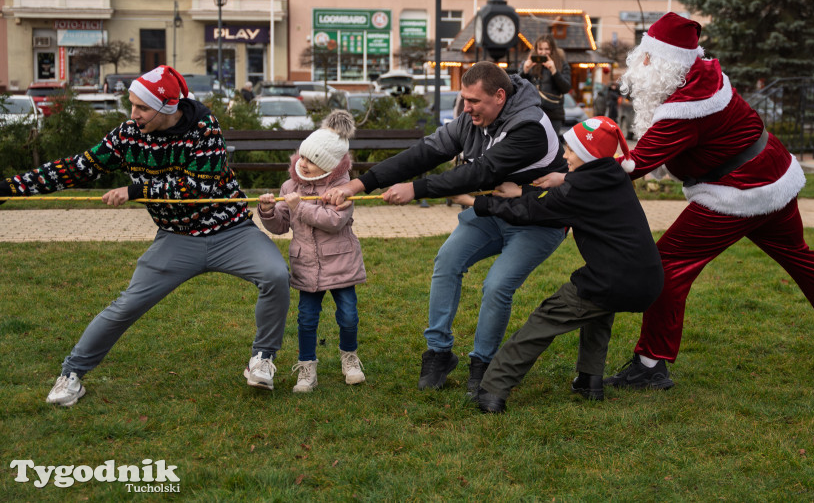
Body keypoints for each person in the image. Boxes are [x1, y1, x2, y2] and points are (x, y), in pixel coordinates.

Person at [603, 13, 814, 390]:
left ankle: (651, 364)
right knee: (797, 253)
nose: (642, 65)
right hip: (775, 172)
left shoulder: (686, 108)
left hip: (737, 191)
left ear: (667, 62)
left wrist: (576, 167)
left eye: (648, 57)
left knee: (669, 263)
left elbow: (635, 165)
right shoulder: (703, 75)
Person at [0, 66, 291, 406]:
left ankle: (262, 358)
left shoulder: (204, 127)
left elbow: (199, 188)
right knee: (126, 306)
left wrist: (137, 188)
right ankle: (72, 374)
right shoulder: (128, 134)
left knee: (275, 275)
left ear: (168, 106)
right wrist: (10, 189)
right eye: (132, 105)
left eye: (141, 107)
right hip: (176, 238)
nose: (133, 114)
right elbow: (80, 166)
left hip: (231, 232)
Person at [322, 61, 567, 394]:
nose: (465, 108)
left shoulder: (531, 127)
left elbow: (480, 172)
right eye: (464, 99)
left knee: (496, 286)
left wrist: (416, 189)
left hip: (538, 221)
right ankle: (438, 353)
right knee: (447, 262)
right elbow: (424, 153)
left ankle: (483, 364)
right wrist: (360, 185)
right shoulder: (471, 120)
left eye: (473, 101)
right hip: (491, 212)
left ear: (499, 96)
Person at [450, 116, 663, 413]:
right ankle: (590, 380)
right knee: (600, 308)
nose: (564, 156)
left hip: (612, 277)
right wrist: (527, 189)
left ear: (588, 155)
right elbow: (571, 188)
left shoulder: (578, 191)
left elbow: (530, 212)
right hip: (647, 280)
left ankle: (492, 389)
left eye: (571, 151)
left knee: (544, 321)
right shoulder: (613, 174)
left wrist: (474, 202)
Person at [258, 111, 368, 392]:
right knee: (306, 319)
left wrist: (300, 207)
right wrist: (268, 211)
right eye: (304, 157)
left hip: (340, 262)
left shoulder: (343, 190)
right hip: (306, 264)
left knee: (349, 315)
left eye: (314, 161)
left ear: (330, 167)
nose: (304, 165)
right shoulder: (290, 187)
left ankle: (349, 357)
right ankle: (307, 367)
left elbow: (334, 222)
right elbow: (281, 226)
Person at [521, 34, 573, 134]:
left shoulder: (561, 64)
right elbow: (518, 87)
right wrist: (524, 71)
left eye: (547, 49)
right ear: (536, 49)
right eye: (540, 49)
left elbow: (566, 88)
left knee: (551, 147)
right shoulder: (528, 63)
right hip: (533, 113)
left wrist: (554, 71)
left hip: (554, 114)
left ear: (552, 49)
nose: (543, 52)